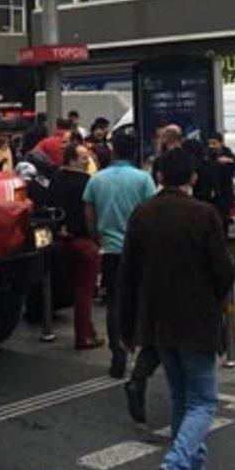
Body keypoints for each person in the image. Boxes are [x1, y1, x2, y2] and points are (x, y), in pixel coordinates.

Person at [119, 149, 235, 470]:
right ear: (193, 178)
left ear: (158, 176)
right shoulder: (204, 215)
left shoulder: (142, 214)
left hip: (157, 322)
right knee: (203, 400)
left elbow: (128, 274)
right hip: (196, 320)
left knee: (181, 397)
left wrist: (127, 327)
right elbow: (223, 272)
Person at [84, 130, 156, 378]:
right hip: (139, 250)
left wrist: (100, 239)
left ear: (113, 149)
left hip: (111, 251)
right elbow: (151, 214)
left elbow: (90, 219)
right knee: (142, 300)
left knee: (114, 303)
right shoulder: (143, 180)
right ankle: (142, 350)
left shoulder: (96, 180)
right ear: (135, 151)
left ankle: (118, 355)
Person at [47, 141, 104, 349]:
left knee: (74, 287)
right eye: (82, 157)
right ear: (72, 159)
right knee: (85, 292)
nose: (86, 160)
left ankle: (86, 331)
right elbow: (92, 212)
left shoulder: (56, 179)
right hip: (84, 241)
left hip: (60, 242)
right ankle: (84, 335)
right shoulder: (87, 182)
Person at [195, 131, 235, 236]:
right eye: (209, 143)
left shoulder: (229, 157)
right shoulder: (206, 158)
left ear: (221, 143)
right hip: (209, 197)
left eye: (214, 143)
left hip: (224, 197)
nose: (211, 146)